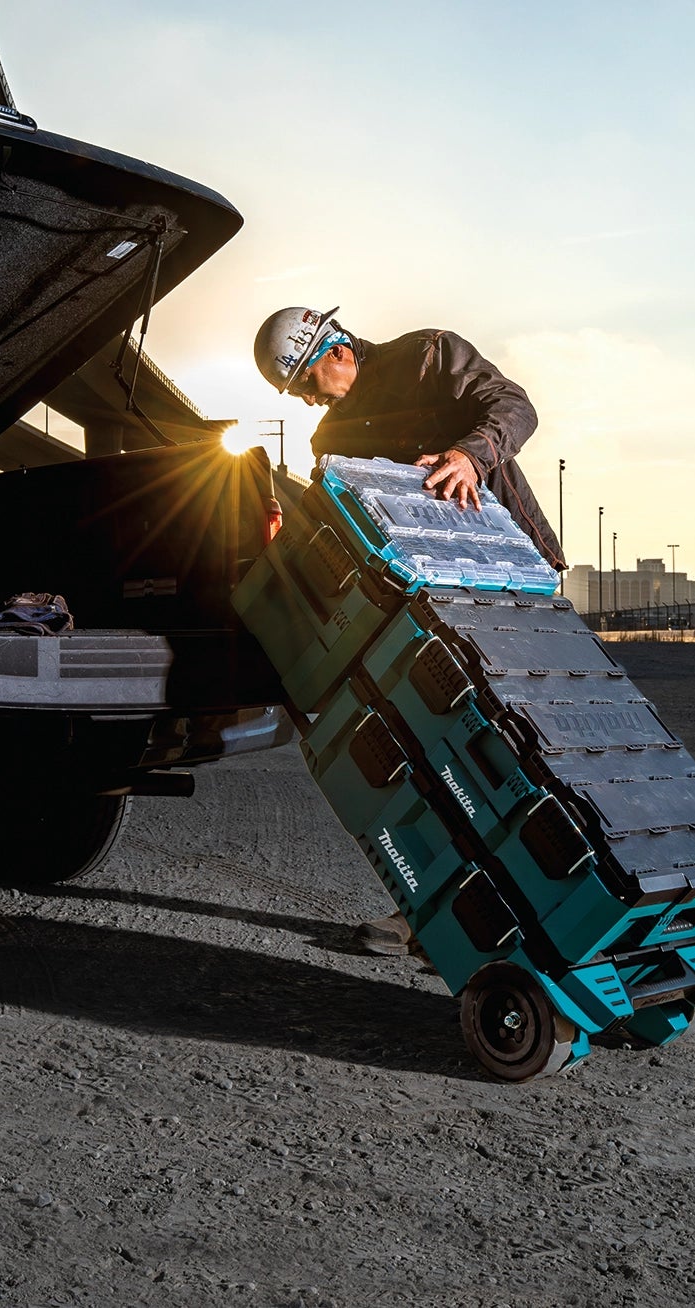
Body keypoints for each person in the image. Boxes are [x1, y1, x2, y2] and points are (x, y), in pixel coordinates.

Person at [252, 306, 566, 961]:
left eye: (310, 383)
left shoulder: (428, 356)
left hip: (508, 574)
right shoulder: (330, 438)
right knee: (449, 761)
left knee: (531, 751)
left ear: (336, 349)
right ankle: (447, 912)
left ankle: (555, 904)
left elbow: (514, 405)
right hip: (425, 607)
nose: (311, 401)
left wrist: (470, 456)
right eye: (300, 395)